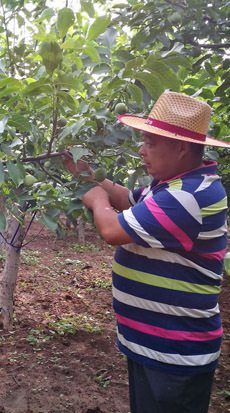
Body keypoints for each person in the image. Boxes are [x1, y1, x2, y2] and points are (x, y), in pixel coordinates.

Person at [63, 90, 230, 413]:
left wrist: (97, 201)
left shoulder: (188, 196)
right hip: (154, 345)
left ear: (181, 148)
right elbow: (128, 200)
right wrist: (85, 173)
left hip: (174, 353)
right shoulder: (174, 185)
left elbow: (112, 230)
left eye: (150, 144)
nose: (142, 151)